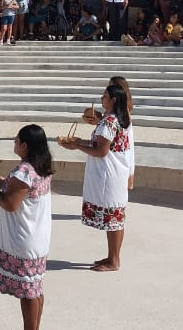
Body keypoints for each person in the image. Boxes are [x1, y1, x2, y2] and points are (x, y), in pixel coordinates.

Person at [0, 124, 54, 330]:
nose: (14, 143)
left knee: (28, 293)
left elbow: (10, 204)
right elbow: (25, 193)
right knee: (35, 288)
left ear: (25, 145)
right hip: (38, 236)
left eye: (16, 140)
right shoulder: (42, 166)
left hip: (24, 238)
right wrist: (5, 183)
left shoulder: (24, 170)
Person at [61, 84, 133, 272]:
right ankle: (112, 257)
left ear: (114, 100)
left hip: (110, 175)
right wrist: (79, 142)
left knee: (114, 217)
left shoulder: (110, 121)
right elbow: (99, 144)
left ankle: (114, 261)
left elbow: (101, 151)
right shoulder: (118, 119)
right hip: (115, 173)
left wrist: (77, 146)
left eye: (105, 96)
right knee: (114, 217)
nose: (102, 98)